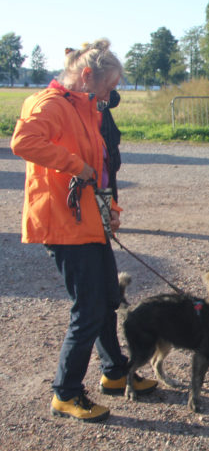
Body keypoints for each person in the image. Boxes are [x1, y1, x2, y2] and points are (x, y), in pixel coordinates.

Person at [10, 40, 157, 423]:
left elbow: (101, 166)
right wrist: (73, 164)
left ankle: (115, 372)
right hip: (62, 224)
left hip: (89, 221)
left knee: (108, 297)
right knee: (88, 309)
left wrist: (111, 208)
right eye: (109, 86)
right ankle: (66, 392)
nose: (112, 94)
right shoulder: (50, 104)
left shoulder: (86, 107)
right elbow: (23, 142)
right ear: (87, 75)